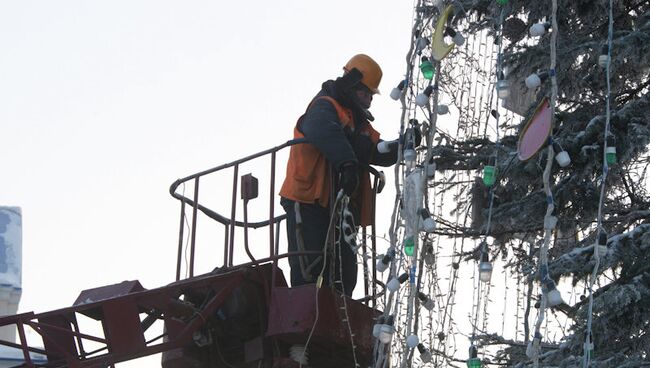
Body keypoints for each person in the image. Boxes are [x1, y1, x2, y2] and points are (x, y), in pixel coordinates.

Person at [279, 54, 402, 296]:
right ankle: (306, 316)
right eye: (366, 93)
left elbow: (376, 150)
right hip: (307, 200)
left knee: (345, 274)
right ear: (352, 83)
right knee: (310, 266)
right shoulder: (324, 106)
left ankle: (339, 313)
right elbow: (322, 129)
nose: (368, 100)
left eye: (371, 95)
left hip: (339, 206)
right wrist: (347, 163)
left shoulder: (358, 123)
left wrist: (404, 144)